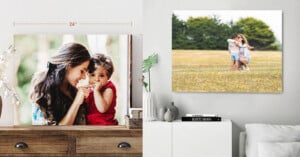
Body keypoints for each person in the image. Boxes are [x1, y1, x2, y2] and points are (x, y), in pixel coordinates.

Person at [30, 42, 91, 125]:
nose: (84, 77)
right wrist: (76, 103)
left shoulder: (74, 91)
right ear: (69, 66)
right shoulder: (42, 88)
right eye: (82, 71)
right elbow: (55, 134)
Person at [85, 53, 118, 125]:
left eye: (101, 75)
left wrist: (96, 91)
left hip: (104, 126)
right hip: (90, 126)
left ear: (108, 77)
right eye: (92, 75)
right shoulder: (90, 89)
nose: (96, 79)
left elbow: (102, 109)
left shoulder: (108, 89)